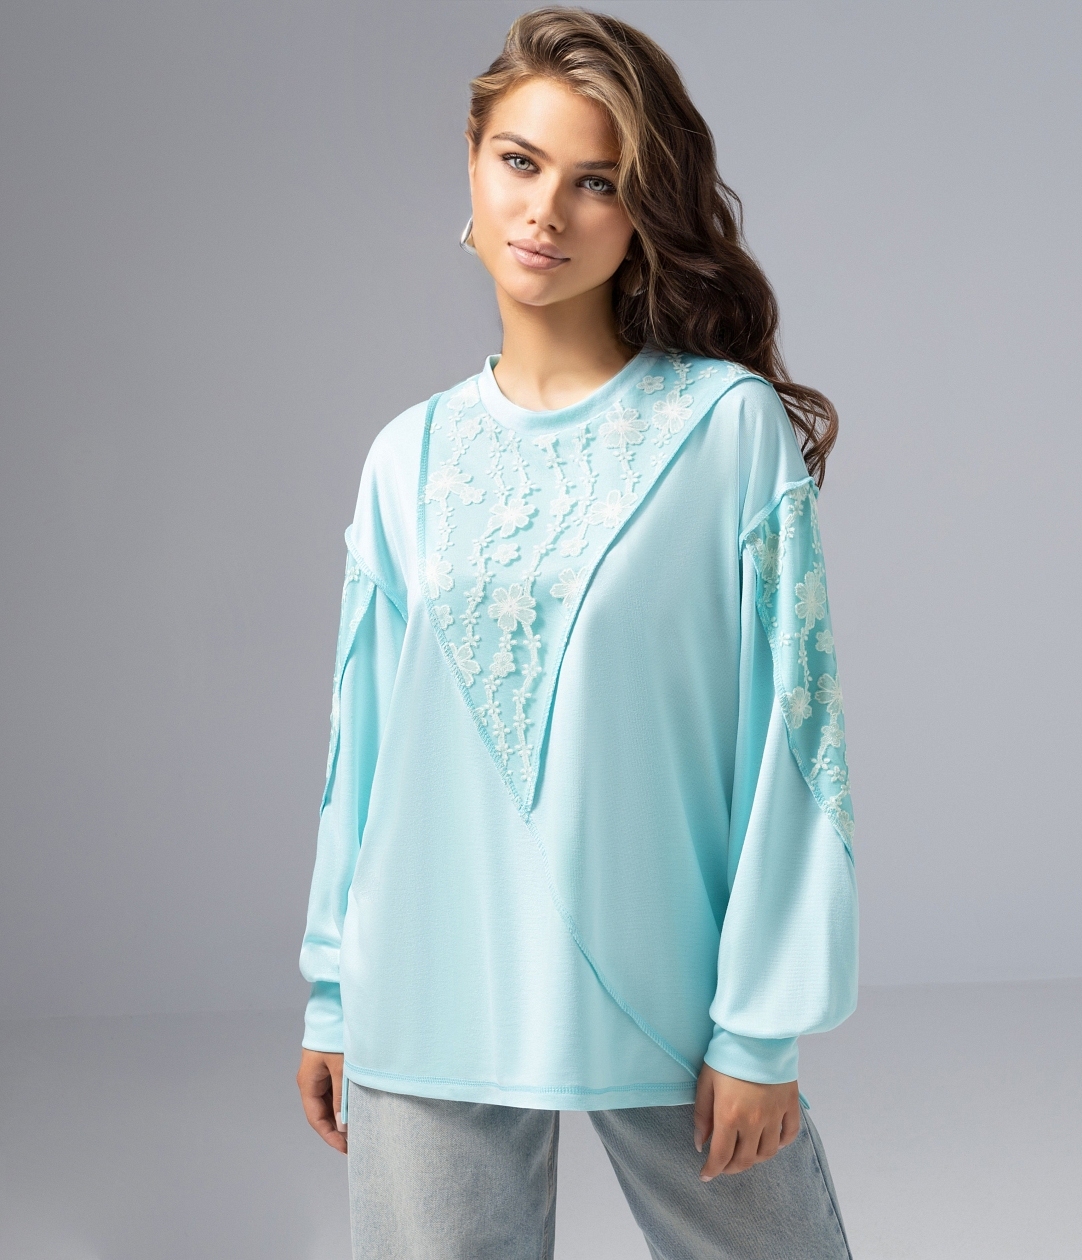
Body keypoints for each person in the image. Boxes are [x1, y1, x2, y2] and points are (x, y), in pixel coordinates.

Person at [295, 7, 859, 1257]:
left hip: (674, 996)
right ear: (473, 163)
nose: (546, 210)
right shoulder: (406, 458)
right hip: (424, 991)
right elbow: (362, 751)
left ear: (642, 209)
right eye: (521, 162)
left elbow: (793, 741)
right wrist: (334, 994)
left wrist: (761, 1024)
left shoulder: (724, 431)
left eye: (597, 181)